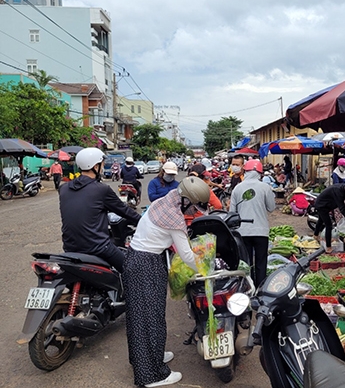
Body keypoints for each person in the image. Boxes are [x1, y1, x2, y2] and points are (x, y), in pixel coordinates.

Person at [124, 177, 210, 388]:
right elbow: (188, 256)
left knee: (143, 315)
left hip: (138, 259)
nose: (195, 210)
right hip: (146, 264)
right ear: (186, 201)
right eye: (195, 206)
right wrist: (209, 270)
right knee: (149, 318)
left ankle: (151, 357)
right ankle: (152, 376)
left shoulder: (164, 201)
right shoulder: (174, 218)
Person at [58, 148, 141, 273]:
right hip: (98, 247)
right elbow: (124, 211)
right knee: (132, 271)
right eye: (102, 165)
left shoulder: (64, 189)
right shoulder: (101, 190)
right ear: (95, 167)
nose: (102, 168)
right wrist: (143, 221)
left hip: (70, 248)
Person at [230, 159, 275, 287]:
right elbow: (271, 208)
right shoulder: (265, 187)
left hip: (243, 232)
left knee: (246, 263)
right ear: (260, 173)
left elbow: (232, 213)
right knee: (261, 263)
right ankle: (260, 290)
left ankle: (248, 289)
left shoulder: (237, 188)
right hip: (261, 231)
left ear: (246, 171)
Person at [313, 180, 345, 254]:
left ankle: (315, 235)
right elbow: (342, 209)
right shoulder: (339, 192)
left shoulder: (344, 190)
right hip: (321, 205)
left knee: (321, 220)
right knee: (329, 225)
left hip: (326, 204)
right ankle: (328, 247)